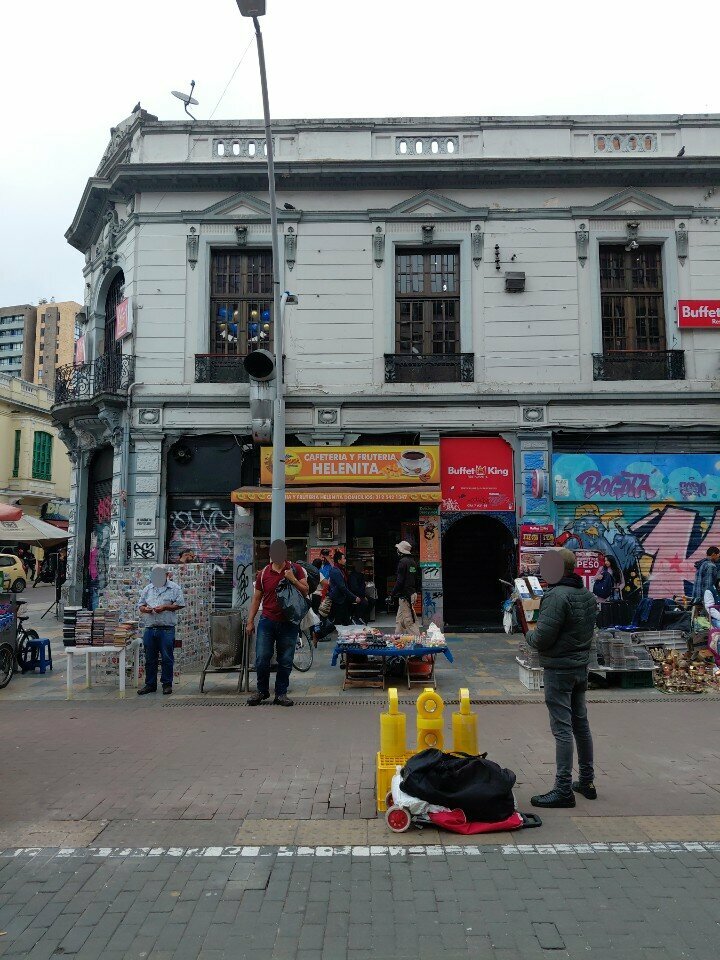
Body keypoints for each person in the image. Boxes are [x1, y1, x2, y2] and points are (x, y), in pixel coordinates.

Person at [526, 548, 598, 808]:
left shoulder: (556, 596)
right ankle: (587, 781)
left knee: (562, 728)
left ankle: (563, 788)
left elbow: (542, 638)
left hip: (559, 669)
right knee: (581, 723)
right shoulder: (587, 595)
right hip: (580, 667)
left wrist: (528, 635)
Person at [246, 540, 308, 707]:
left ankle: (281, 693)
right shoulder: (264, 573)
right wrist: (250, 621)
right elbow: (256, 599)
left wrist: (293, 579)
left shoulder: (296, 569)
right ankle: (262, 691)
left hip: (289, 622)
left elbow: (306, 589)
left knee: (286, 660)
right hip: (267, 620)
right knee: (261, 658)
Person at [137, 564, 185, 696]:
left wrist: (165, 607)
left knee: (167, 657)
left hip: (167, 629)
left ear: (166, 575)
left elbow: (180, 604)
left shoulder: (174, 588)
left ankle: (167, 684)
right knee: (149, 658)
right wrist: (145, 609)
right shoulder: (148, 589)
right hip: (150, 627)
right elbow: (141, 605)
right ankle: (150, 684)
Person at [391, 540, 420, 637]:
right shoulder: (413, 562)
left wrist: (392, 594)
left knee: (408, 621)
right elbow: (416, 579)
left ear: (401, 551)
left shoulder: (403, 562)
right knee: (399, 621)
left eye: (398, 549)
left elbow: (399, 581)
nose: (397, 551)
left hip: (405, 596)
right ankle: (397, 640)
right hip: (412, 593)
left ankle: (419, 645)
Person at [327, 551, 362, 626]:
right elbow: (342, 587)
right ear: (339, 560)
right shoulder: (336, 571)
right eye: (344, 559)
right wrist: (354, 597)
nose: (345, 560)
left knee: (344, 622)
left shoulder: (340, 570)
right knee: (338, 623)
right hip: (338, 600)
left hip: (342, 599)